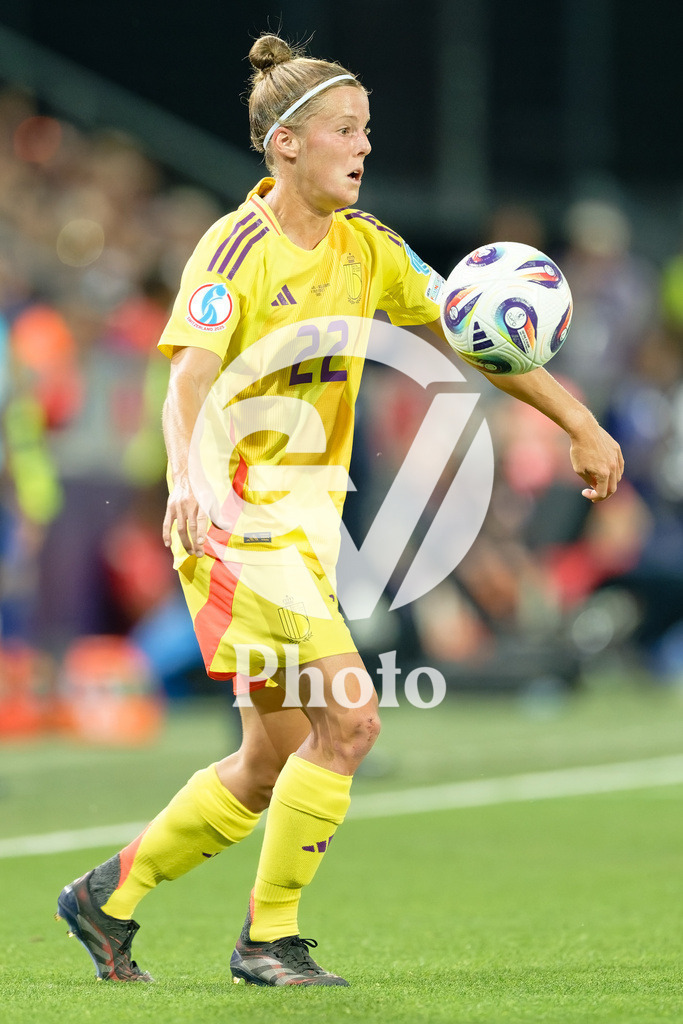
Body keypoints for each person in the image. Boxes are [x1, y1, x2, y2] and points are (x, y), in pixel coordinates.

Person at [55, 33, 624, 987]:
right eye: (344, 131)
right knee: (353, 722)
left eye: (367, 130)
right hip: (237, 518)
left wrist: (580, 422)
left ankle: (106, 898)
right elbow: (185, 382)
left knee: (270, 763)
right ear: (285, 144)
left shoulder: (369, 249)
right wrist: (187, 479)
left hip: (311, 520)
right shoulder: (233, 247)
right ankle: (267, 942)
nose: (363, 147)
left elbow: (472, 336)